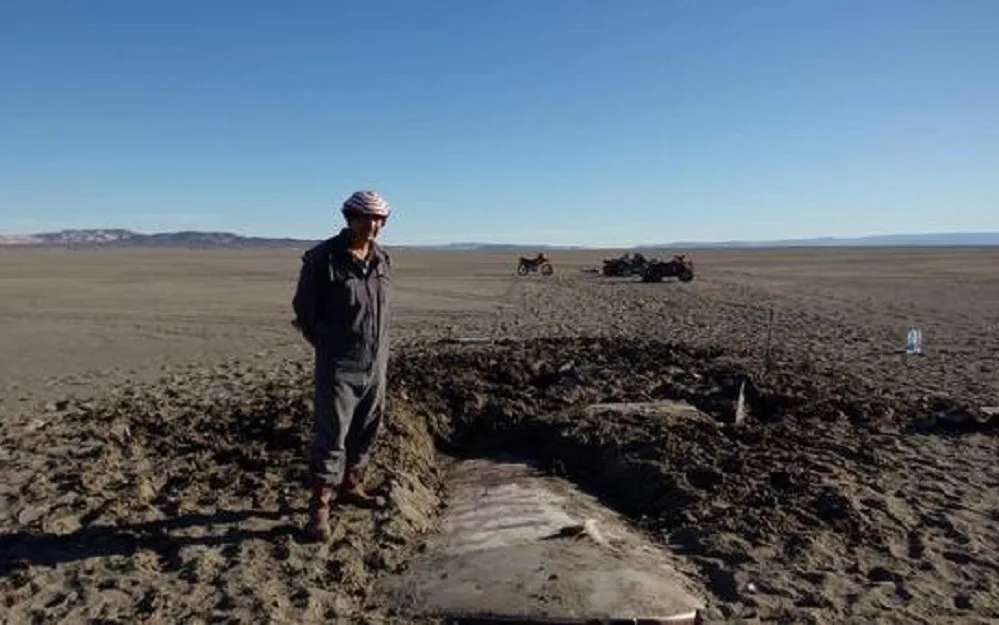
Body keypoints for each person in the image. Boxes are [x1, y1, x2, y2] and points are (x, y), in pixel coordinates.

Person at [291, 189, 393, 542]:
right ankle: (319, 507)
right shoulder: (323, 259)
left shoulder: (382, 259)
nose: (374, 225)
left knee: (366, 428)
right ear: (350, 217)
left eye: (379, 219)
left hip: (375, 363)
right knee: (331, 435)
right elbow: (305, 312)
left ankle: (352, 486)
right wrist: (330, 348)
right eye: (367, 218)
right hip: (339, 365)